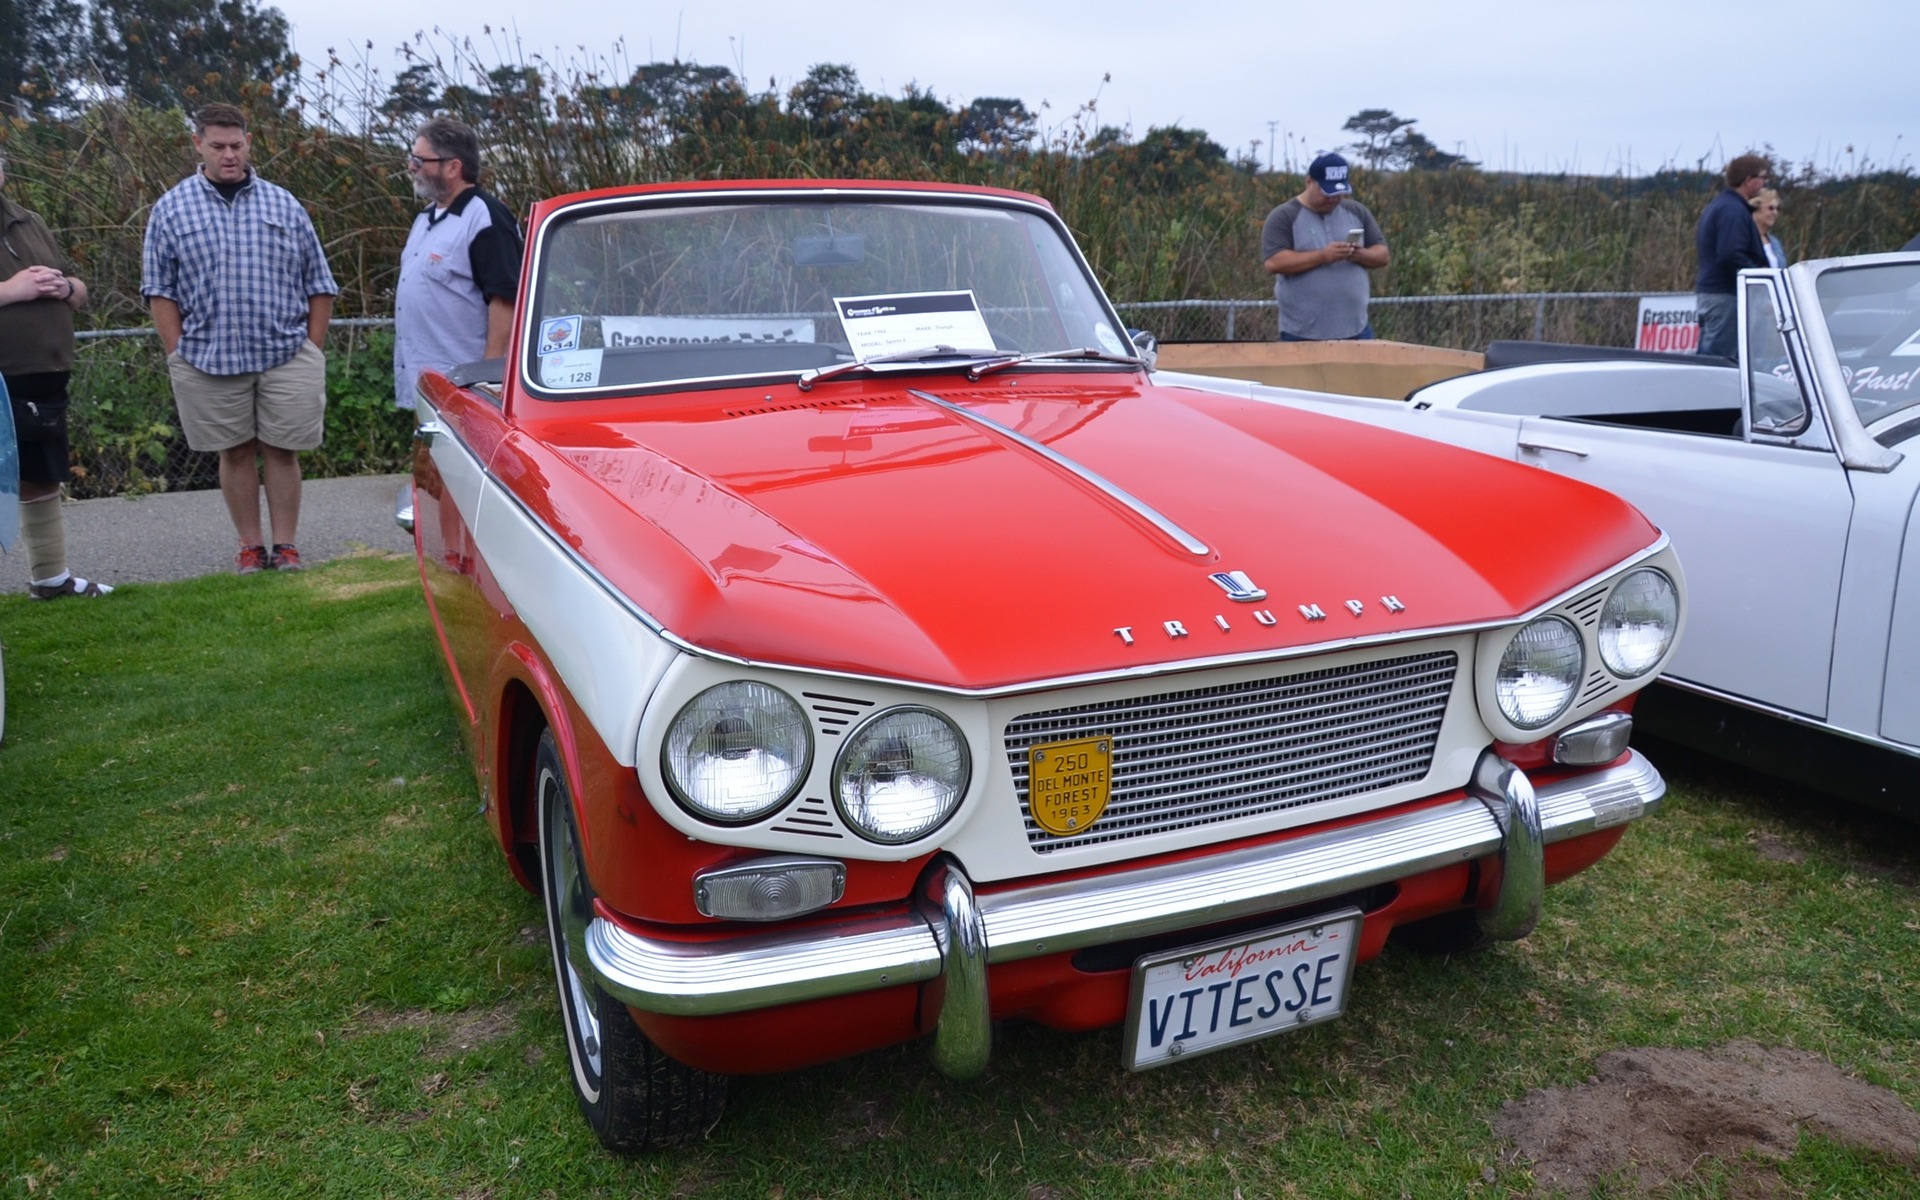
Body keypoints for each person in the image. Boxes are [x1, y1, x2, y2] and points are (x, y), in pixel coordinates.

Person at [142, 103, 337, 575]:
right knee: (233, 451)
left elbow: (320, 282)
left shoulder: (283, 204)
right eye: (218, 146)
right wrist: (178, 354)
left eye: (236, 145)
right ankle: (250, 546)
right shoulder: (170, 208)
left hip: (285, 353)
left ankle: (285, 546)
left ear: (249, 143)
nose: (228, 155)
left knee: (281, 450)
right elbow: (158, 289)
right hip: (207, 357)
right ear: (198, 145)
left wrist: (311, 348)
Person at [0, 151, 112, 599]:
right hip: (2, 378)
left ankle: (51, 580)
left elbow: (78, 288)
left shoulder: (28, 220)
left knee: (40, 478)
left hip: (42, 378)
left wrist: (64, 288)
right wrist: (13, 290)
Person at [394, 116, 523, 410]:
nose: (411, 167)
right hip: (426, 386)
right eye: (411, 158)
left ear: (453, 167)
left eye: (420, 160)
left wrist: (489, 381)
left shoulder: (486, 217)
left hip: (465, 392)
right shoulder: (426, 218)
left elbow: (507, 299)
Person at [1259, 152, 1390, 341]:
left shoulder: (1357, 212)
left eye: (1339, 193)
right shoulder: (1284, 216)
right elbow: (1273, 262)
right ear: (1309, 182)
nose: (1333, 199)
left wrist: (1358, 254)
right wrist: (1323, 256)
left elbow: (1382, 254)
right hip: (1302, 334)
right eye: (1327, 192)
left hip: (1357, 331)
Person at [1694, 154, 1771, 359]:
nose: (1765, 183)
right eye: (1763, 177)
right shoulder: (1733, 211)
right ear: (1748, 180)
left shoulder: (1722, 205)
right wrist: (1759, 275)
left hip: (1715, 294)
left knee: (1709, 358)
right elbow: (1730, 254)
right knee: (1720, 362)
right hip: (1725, 296)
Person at [1751, 188, 1787, 268]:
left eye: (1777, 209)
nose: (1775, 213)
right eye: (1770, 208)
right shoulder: (1743, 239)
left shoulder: (1775, 242)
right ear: (1755, 209)